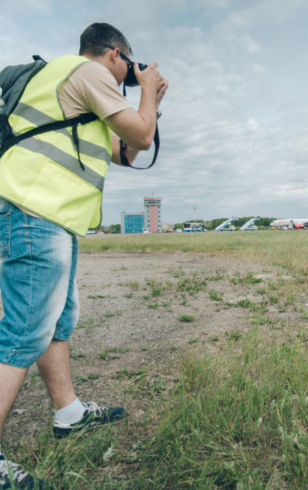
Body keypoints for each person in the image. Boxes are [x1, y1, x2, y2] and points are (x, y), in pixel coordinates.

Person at [0, 22, 168, 488]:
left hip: (54, 218)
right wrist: (147, 92)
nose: (126, 82)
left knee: (56, 322)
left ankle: (68, 411)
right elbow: (141, 129)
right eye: (127, 70)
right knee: (23, 331)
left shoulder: (74, 86)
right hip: (37, 213)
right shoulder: (88, 72)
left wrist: (151, 101)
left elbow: (127, 150)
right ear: (115, 54)